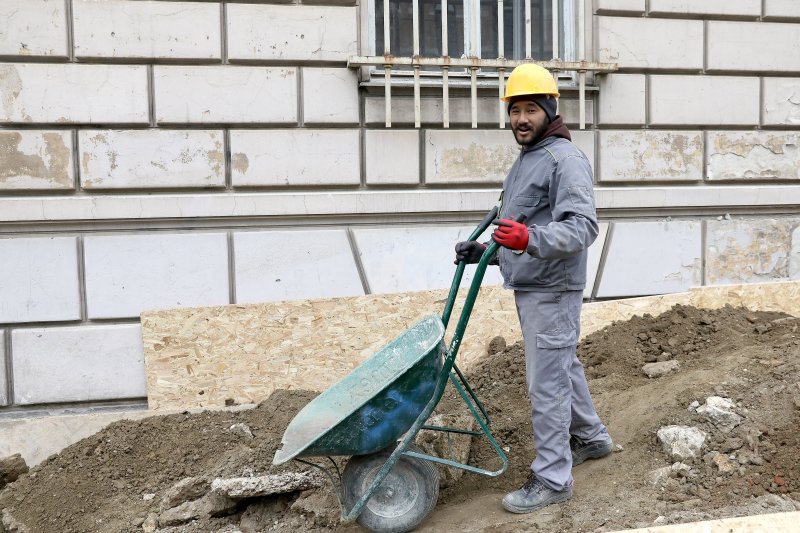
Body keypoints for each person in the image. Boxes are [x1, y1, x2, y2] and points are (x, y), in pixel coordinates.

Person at [454, 63, 613, 514]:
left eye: (530, 109)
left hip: (554, 290)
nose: (520, 119)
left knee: (547, 385)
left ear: (549, 109)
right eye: (514, 110)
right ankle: (592, 438)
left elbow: (582, 228)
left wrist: (529, 240)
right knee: (562, 366)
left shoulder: (566, 160)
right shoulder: (528, 160)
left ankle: (553, 478)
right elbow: (521, 226)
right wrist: (485, 250)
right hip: (534, 287)